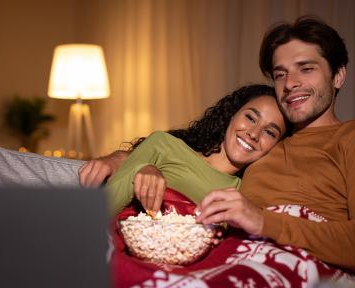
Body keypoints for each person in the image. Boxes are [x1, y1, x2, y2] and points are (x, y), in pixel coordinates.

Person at [80, 16, 355, 270]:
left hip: (279, 267)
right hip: (221, 259)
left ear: (338, 75)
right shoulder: (268, 152)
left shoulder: (347, 138)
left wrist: (261, 220)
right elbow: (188, 160)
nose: (291, 83)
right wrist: (126, 158)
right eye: (280, 74)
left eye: (306, 69)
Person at [106, 84, 286, 216]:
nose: (254, 134)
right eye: (251, 118)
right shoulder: (164, 145)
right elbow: (104, 210)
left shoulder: (244, 193)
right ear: (232, 114)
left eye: (269, 132)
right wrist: (141, 170)